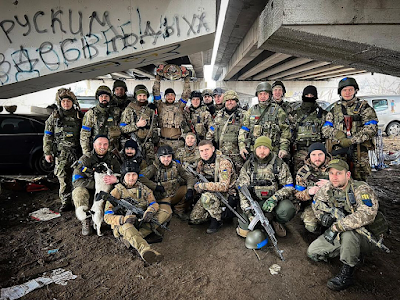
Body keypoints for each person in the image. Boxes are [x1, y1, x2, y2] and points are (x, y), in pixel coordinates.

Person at [307, 159, 386, 291]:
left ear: (347, 175)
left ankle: (347, 273)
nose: (334, 177)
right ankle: (350, 252)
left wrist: (337, 226)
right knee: (313, 252)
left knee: (349, 234)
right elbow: (316, 202)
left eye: (339, 173)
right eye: (331, 173)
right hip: (340, 233)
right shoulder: (328, 188)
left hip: (367, 235)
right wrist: (323, 216)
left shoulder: (361, 189)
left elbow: (367, 214)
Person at [104, 161, 163, 264]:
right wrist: (123, 219)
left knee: (163, 213)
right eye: (128, 175)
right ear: (123, 176)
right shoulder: (117, 191)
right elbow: (107, 216)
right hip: (123, 224)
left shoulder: (143, 188)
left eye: (134, 175)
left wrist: (149, 211)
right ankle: (146, 250)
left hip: (140, 220)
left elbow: (153, 203)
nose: (131, 178)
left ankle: (131, 239)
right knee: (127, 227)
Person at [236, 136, 295, 238]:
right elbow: (242, 190)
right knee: (245, 231)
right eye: (259, 148)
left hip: (274, 202)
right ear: (255, 149)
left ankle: (277, 221)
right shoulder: (248, 165)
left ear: (270, 149)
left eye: (265, 148)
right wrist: (248, 211)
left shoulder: (279, 164)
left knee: (287, 209)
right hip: (254, 202)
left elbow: (289, 186)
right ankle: (259, 222)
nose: (262, 151)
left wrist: (275, 198)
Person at [322, 77, 378, 181]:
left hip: (359, 150)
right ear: (340, 92)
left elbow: (371, 128)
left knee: (360, 179)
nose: (347, 92)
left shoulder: (364, 107)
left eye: (350, 89)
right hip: (339, 149)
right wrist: (338, 134)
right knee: (338, 178)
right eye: (344, 90)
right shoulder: (335, 109)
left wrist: (351, 140)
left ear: (355, 90)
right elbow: (325, 129)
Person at [43, 88, 83, 211]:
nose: (66, 103)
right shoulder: (54, 117)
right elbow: (48, 135)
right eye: (63, 101)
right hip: (61, 154)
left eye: (68, 101)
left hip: (76, 153)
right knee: (63, 179)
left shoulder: (79, 116)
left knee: (78, 178)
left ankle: (78, 201)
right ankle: (66, 202)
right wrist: (47, 152)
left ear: (73, 102)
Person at [72, 135, 120, 235]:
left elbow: (122, 174)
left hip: (107, 191)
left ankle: (115, 217)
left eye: (105, 144)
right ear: (94, 145)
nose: (102, 146)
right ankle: (86, 220)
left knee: (120, 188)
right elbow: (76, 181)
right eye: (99, 144)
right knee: (78, 191)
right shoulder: (85, 159)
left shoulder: (113, 158)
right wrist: (98, 184)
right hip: (91, 191)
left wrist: (116, 179)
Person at [189, 140, 237, 234]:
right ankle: (220, 213)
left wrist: (203, 186)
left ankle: (217, 220)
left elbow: (224, 186)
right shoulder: (201, 163)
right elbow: (198, 178)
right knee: (195, 219)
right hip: (211, 192)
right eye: (201, 151)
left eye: (207, 149)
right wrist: (196, 186)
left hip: (226, 195)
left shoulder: (223, 162)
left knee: (207, 197)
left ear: (213, 149)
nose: (204, 153)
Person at [140, 145, 195, 221]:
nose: (166, 159)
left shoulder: (176, 165)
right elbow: (140, 177)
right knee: (166, 214)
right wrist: (155, 186)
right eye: (163, 157)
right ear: (159, 157)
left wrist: (189, 189)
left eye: (169, 156)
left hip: (175, 193)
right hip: (163, 198)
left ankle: (179, 209)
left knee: (192, 189)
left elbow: (188, 176)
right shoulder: (154, 167)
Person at [238, 82, 291, 160]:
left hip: (273, 151)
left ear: (269, 95)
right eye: (260, 94)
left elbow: (285, 131)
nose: (262, 96)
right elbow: (244, 129)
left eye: (265, 94)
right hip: (255, 151)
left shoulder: (278, 110)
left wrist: (283, 148)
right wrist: (242, 146)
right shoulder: (251, 111)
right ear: (257, 95)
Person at [206, 90, 245, 173]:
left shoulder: (243, 115)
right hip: (222, 156)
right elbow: (211, 131)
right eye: (227, 100)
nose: (229, 102)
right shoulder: (219, 115)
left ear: (236, 101)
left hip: (238, 157)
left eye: (232, 100)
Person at [294, 142, 330, 233]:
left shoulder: (335, 167)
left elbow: (348, 186)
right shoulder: (303, 172)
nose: (317, 158)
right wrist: (309, 192)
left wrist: (331, 184)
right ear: (309, 156)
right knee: (311, 225)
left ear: (325, 155)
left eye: (320, 154)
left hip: (334, 203)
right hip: (313, 205)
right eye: (313, 155)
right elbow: (297, 194)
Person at [120, 84, 158, 166]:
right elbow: (122, 129)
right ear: (136, 96)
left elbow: (153, 127)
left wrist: (156, 143)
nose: (142, 98)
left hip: (148, 145)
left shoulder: (150, 110)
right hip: (134, 144)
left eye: (144, 95)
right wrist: (137, 125)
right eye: (140, 95)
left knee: (150, 167)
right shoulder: (129, 110)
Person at [292, 85, 327, 174]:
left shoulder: (322, 114)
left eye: (311, 96)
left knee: (317, 174)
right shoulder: (295, 114)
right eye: (307, 95)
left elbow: (326, 132)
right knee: (300, 174)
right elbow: (290, 133)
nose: (309, 97)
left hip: (317, 150)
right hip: (300, 150)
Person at [152, 75, 191, 152]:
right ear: (165, 97)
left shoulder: (179, 106)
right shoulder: (160, 106)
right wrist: (157, 79)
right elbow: (156, 92)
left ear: (175, 97)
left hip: (178, 143)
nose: (170, 97)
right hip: (163, 142)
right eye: (167, 95)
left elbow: (186, 94)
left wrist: (186, 80)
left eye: (172, 95)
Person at [80, 85, 122, 156]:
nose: (104, 98)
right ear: (98, 98)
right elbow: (84, 134)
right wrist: (86, 153)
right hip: (97, 151)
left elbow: (122, 130)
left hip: (113, 151)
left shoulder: (116, 112)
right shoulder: (91, 113)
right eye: (101, 96)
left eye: (106, 96)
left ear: (110, 98)